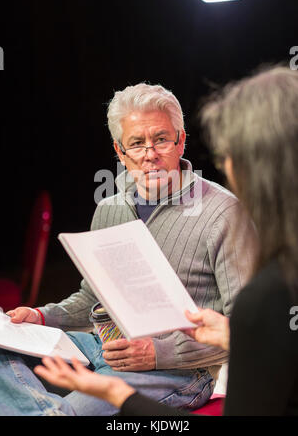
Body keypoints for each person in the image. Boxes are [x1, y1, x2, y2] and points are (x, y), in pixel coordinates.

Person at [35, 66, 298, 416]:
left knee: (59, 414)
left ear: (181, 141)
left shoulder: (223, 213)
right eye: (137, 143)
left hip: (179, 372)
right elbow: (91, 297)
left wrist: (160, 353)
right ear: (119, 150)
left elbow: (246, 329)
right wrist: (41, 316)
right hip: (103, 347)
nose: (150, 154)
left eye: (160, 139)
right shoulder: (109, 209)